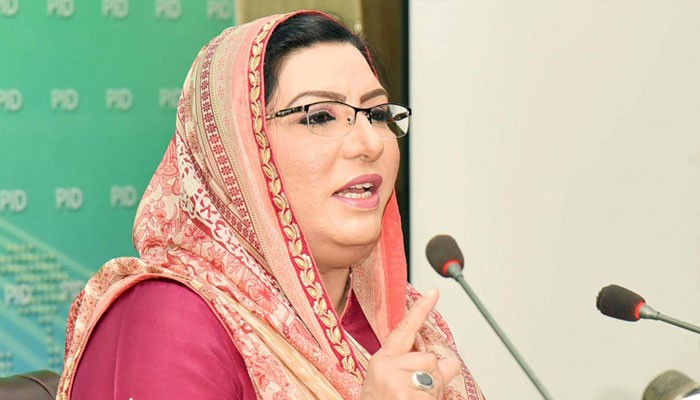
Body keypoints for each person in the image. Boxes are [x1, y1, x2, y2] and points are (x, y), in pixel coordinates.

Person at [57, 10, 486, 400]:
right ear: (238, 155)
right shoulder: (169, 320)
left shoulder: (399, 322)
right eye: (319, 116)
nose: (370, 143)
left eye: (377, 114)